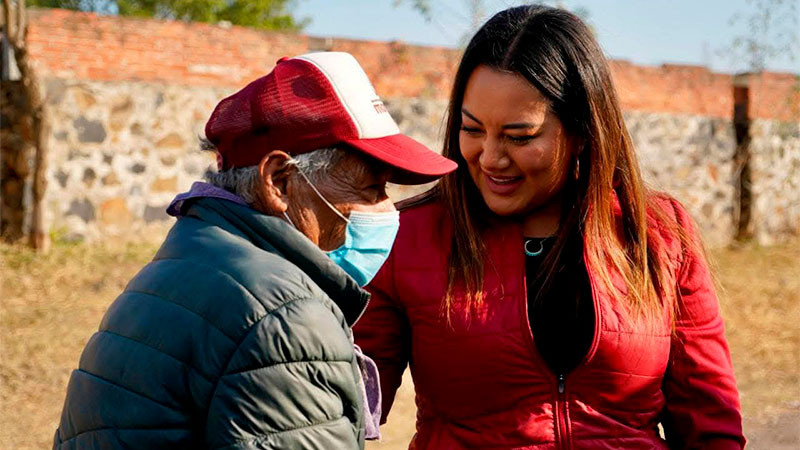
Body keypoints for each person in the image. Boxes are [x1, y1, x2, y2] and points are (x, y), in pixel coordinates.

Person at [353, 6, 745, 449]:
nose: (490, 157)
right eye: (472, 129)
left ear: (581, 130)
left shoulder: (659, 233)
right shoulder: (410, 237)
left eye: (520, 137)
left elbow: (711, 426)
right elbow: (348, 410)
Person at [52, 51, 456, 450]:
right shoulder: (284, 319)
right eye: (370, 188)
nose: (385, 209)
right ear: (279, 181)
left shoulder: (183, 261)